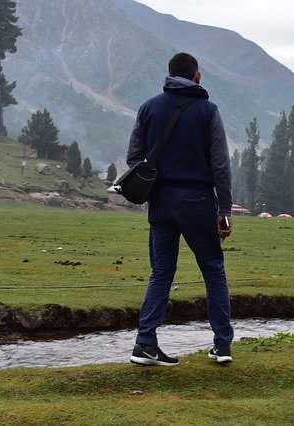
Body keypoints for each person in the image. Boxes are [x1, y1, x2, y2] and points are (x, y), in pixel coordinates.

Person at [126, 52, 234, 366]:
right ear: (196, 76)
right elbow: (221, 166)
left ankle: (145, 344)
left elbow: (134, 158)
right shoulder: (209, 111)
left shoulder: (148, 108)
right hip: (198, 200)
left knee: (161, 273)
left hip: (160, 200)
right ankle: (222, 346)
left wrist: (156, 182)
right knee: (213, 271)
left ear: (169, 75)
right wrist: (224, 209)